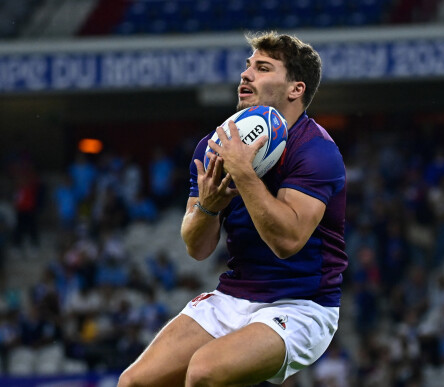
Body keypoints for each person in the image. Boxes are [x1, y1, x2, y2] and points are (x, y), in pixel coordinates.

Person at [118, 31, 348, 386]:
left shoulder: (316, 151)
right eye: (247, 66)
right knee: (134, 383)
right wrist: (208, 209)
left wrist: (243, 171)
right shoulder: (215, 146)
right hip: (235, 295)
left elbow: (287, 242)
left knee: (204, 372)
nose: (246, 74)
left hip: (302, 305)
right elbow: (197, 248)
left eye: (263, 68)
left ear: (295, 89)